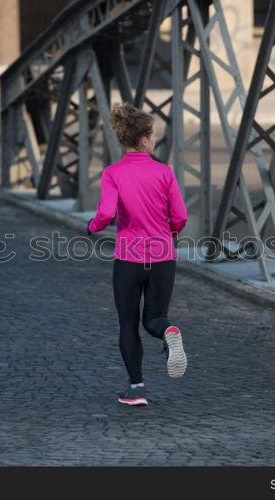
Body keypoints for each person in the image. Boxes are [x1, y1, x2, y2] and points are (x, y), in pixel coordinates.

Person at [87, 102, 188, 407]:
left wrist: (92, 226)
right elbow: (180, 216)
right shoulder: (163, 172)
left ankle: (136, 389)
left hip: (129, 259)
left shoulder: (113, 173)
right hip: (163, 258)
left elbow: (105, 212)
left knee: (128, 324)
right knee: (155, 318)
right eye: (154, 136)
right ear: (144, 140)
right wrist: (170, 232)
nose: (155, 140)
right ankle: (169, 331)